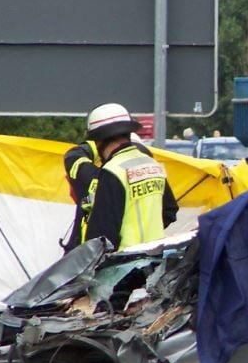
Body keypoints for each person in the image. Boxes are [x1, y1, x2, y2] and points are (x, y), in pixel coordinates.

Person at [64, 102, 178, 251]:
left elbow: (101, 237)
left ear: (99, 141)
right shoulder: (152, 165)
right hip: (154, 262)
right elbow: (169, 211)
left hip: (123, 265)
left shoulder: (112, 171)